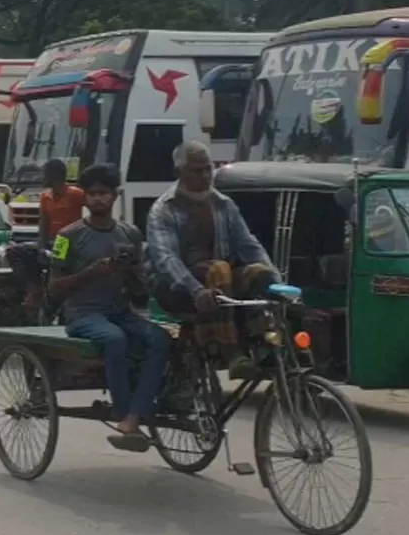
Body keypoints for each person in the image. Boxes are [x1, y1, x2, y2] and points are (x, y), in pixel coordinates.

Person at [51, 163, 170, 450]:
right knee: (115, 340)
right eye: (91, 194)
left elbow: (141, 289)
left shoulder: (131, 235)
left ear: (115, 196)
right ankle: (123, 413)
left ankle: (135, 413)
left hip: (120, 313)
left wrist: (131, 272)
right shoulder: (66, 237)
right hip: (82, 315)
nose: (97, 199)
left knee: (161, 339)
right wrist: (92, 272)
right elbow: (53, 287)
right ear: (85, 198)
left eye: (103, 193)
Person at [144, 141, 278, 379]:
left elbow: (249, 244)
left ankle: (264, 343)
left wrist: (277, 281)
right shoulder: (163, 210)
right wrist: (195, 290)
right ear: (179, 173)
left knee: (258, 273)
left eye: (209, 168)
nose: (206, 175)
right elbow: (166, 259)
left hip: (219, 283)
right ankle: (230, 351)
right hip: (176, 287)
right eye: (197, 170)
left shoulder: (223, 204)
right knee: (219, 268)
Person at [7, 158, 83, 312]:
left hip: (68, 241)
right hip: (50, 241)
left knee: (57, 259)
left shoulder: (76, 194)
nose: (41, 178)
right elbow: (44, 223)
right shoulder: (45, 197)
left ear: (55, 176)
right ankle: (34, 288)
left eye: (44, 174)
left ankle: (53, 293)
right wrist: (41, 247)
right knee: (15, 251)